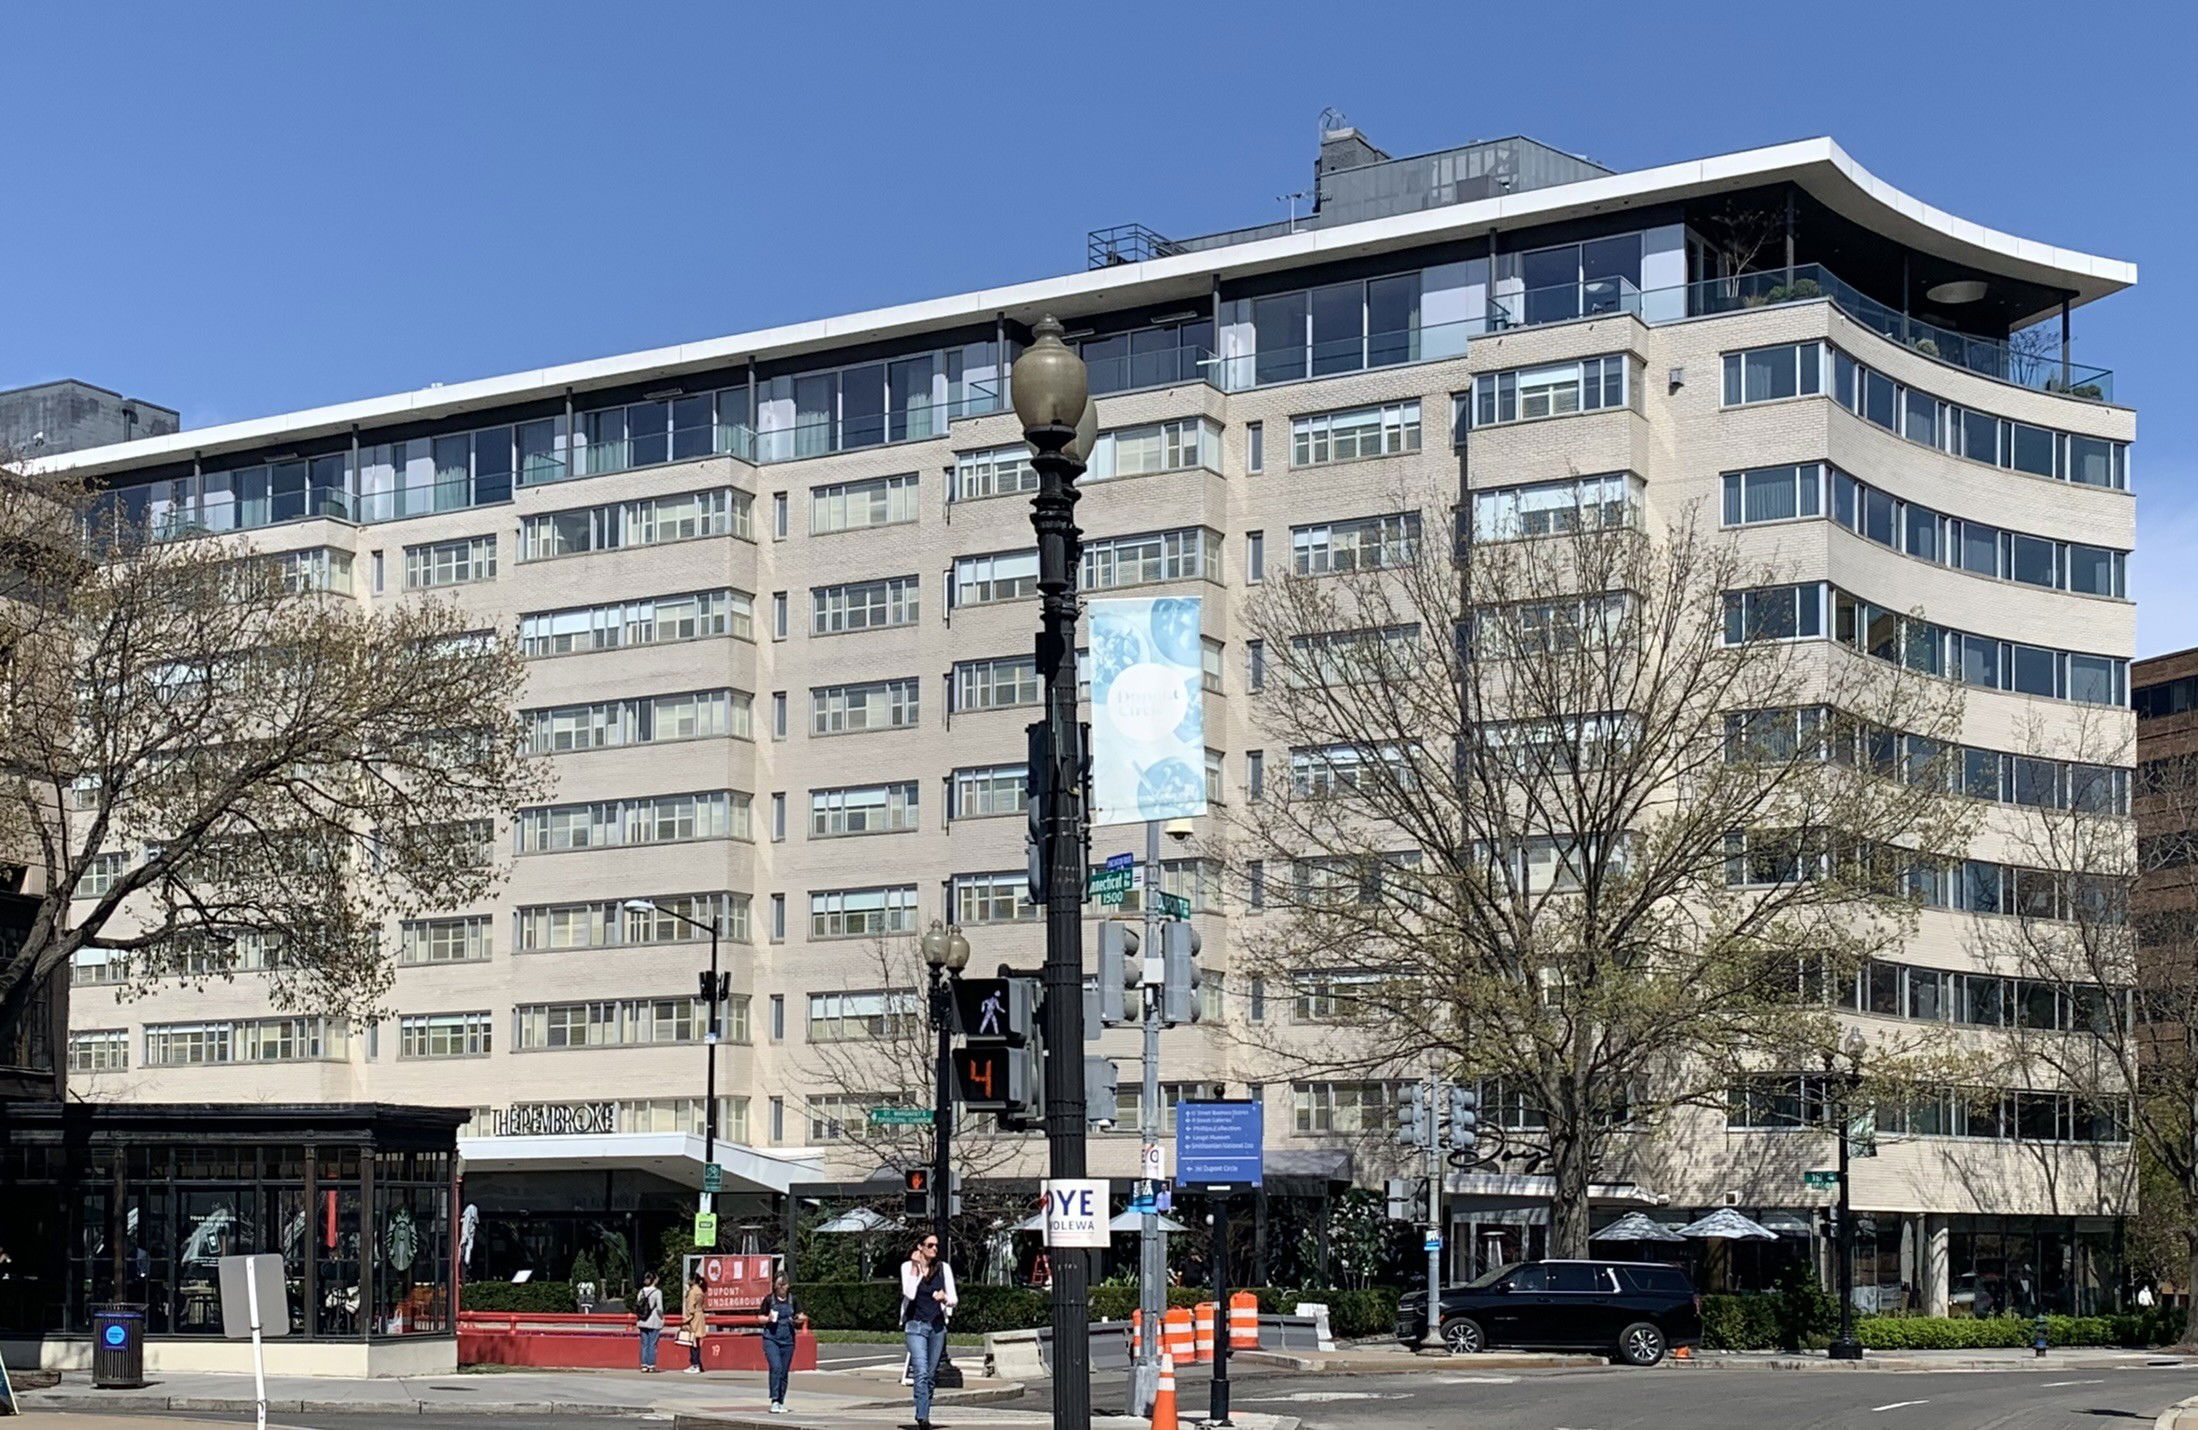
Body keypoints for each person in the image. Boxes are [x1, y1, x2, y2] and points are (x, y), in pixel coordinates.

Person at [899, 1233, 957, 1430]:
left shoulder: (943, 1268)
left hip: (937, 1327)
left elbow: (954, 1299)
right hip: (915, 1325)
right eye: (930, 1245)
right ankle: (922, 1416)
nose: (934, 1249)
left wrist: (945, 1298)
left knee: (930, 1375)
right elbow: (909, 1293)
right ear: (920, 1247)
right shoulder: (907, 1267)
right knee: (921, 1372)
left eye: (936, 1246)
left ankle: (925, 1410)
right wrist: (916, 1268)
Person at [761, 1270, 803, 1414]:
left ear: (787, 1285)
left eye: (783, 1285)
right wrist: (768, 1319)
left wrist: (798, 1319)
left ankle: (780, 1400)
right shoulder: (769, 1300)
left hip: (788, 1340)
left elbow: (800, 1315)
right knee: (776, 1367)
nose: (780, 1288)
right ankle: (774, 1399)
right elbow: (760, 1317)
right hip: (771, 1338)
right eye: (778, 1285)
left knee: (784, 1371)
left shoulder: (793, 1300)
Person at [633, 1271, 665, 1373]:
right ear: (654, 1280)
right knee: (652, 1344)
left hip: (642, 1321)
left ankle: (644, 1365)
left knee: (644, 1344)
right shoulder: (657, 1292)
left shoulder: (641, 1291)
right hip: (654, 1321)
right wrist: (662, 1318)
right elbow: (659, 1308)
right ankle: (651, 1365)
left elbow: (638, 1305)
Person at [681, 1270, 708, 1374]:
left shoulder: (692, 1292)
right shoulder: (700, 1290)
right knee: (696, 1341)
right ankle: (697, 1364)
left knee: (693, 1343)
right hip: (700, 1316)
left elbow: (691, 1309)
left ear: (692, 1280)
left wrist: (685, 1320)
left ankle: (695, 1364)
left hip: (694, 1318)